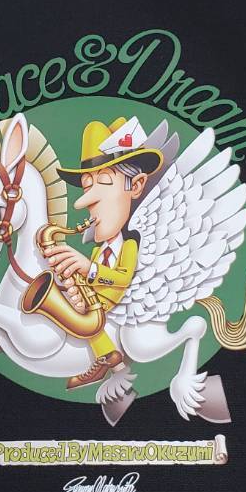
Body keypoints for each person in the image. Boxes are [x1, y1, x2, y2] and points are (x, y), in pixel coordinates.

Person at [46, 116, 165, 390]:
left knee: (89, 319)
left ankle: (111, 363)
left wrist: (88, 269)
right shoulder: (99, 250)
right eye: (87, 186)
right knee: (79, 310)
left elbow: (122, 278)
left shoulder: (131, 244)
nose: (87, 202)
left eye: (104, 182)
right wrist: (74, 284)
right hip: (96, 302)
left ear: (136, 185)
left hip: (111, 303)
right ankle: (109, 359)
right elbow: (92, 278)